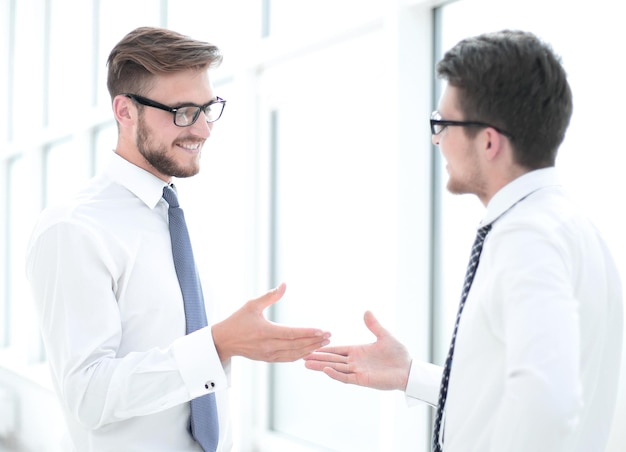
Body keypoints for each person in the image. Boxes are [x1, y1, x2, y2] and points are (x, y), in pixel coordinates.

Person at [304, 29, 623, 452]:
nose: (437, 140)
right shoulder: (569, 226)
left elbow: (548, 402)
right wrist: (411, 374)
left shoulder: (527, 235)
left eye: (443, 124)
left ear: (489, 141)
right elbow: (516, 399)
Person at [26, 26, 331, 452]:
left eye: (207, 109)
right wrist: (219, 344)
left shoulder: (185, 216)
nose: (203, 130)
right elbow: (87, 395)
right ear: (125, 111)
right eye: (183, 112)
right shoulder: (74, 228)